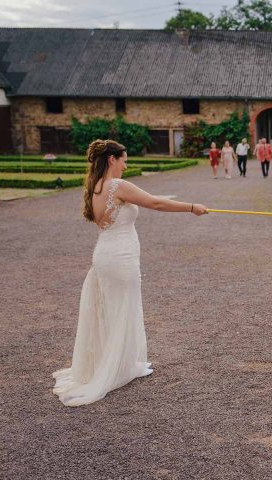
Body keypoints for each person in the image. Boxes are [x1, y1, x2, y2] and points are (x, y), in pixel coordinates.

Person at [52, 139, 207, 406]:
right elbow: (155, 203)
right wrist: (192, 207)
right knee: (123, 309)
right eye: (124, 159)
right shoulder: (117, 186)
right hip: (120, 258)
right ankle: (119, 369)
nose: (126, 164)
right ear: (112, 159)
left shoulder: (95, 186)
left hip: (105, 255)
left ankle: (118, 364)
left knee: (112, 311)